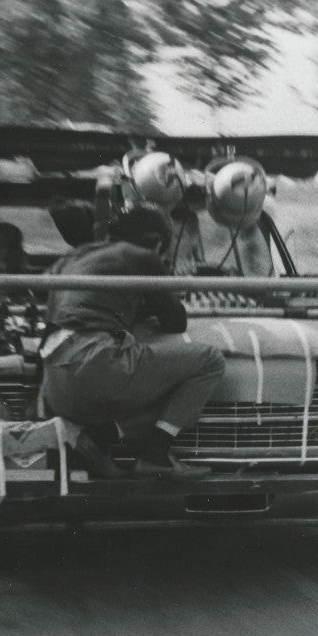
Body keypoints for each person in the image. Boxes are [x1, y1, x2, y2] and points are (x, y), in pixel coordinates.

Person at [40, 205, 225, 480]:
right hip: (95, 364)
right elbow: (176, 320)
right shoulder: (139, 256)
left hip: (53, 381)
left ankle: (94, 438)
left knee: (146, 378)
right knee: (210, 361)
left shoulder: (72, 257)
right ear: (158, 243)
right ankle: (156, 455)